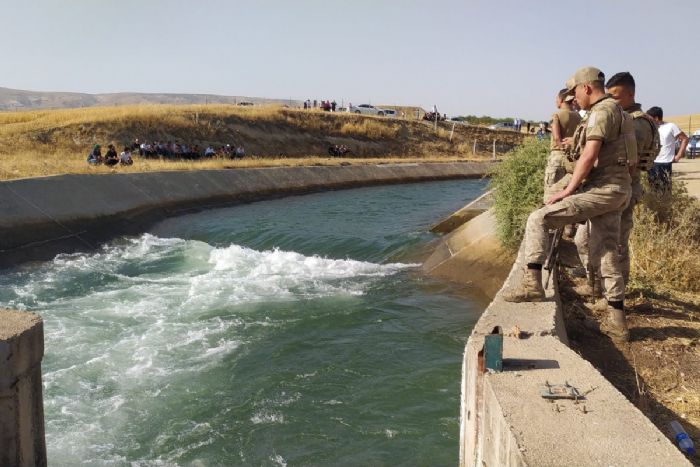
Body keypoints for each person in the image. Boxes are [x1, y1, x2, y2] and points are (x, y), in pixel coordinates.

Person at [502, 66, 636, 343]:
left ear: (586, 88)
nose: (575, 98)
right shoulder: (620, 112)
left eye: (576, 91)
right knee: (608, 250)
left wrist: (569, 189)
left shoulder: (601, 111)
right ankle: (618, 322)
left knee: (539, 218)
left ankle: (533, 285)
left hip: (603, 190)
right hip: (619, 190)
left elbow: (590, 154)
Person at [543, 88, 581, 202]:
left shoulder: (557, 115)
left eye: (556, 99)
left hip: (558, 156)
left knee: (551, 192)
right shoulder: (578, 116)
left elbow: (556, 137)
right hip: (573, 157)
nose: (555, 101)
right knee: (567, 192)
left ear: (561, 100)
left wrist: (561, 147)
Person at [646, 106, 689, 194]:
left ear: (656, 118)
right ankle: (654, 207)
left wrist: (678, 156)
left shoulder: (671, 126)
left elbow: (685, 139)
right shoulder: (650, 128)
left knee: (665, 190)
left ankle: (666, 207)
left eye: (650, 118)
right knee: (652, 189)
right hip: (651, 163)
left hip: (665, 163)